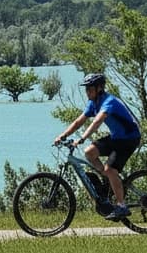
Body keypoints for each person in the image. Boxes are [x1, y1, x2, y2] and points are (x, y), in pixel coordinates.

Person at [54, 72, 141, 221]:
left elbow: (97, 122)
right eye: (86, 89)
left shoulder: (109, 102)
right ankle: (108, 181)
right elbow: (78, 122)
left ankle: (121, 206)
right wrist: (63, 136)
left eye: (90, 89)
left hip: (129, 139)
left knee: (110, 169)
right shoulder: (93, 103)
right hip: (116, 138)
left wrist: (82, 138)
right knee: (90, 152)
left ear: (99, 88)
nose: (87, 92)